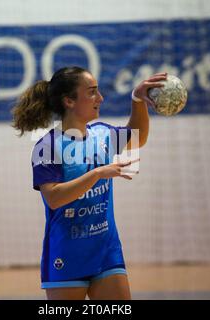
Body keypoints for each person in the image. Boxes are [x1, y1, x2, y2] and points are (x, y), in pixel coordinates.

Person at [12, 66, 167, 300]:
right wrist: (96, 174)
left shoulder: (102, 134)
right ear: (69, 101)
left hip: (106, 251)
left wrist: (137, 99)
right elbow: (54, 198)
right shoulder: (48, 146)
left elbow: (138, 137)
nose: (100, 98)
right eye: (92, 92)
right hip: (67, 254)